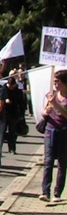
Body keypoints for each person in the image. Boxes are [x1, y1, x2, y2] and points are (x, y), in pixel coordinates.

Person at [39, 70, 67, 202]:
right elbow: (44, 111)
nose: (55, 84)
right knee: (48, 161)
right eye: (54, 82)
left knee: (62, 162)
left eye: (58, 82)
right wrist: (45, 112)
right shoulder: (52, 95)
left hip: (64, 131)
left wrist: (56, 104)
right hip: (50, 130)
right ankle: (45, 192)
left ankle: (57, 193)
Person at [4, 76, 26, 154]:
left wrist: (22, 115)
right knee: (2, 131)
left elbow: (22, 104)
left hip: (14, 114)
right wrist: (5, 100)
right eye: (8, 86)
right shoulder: (3, 89)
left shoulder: (18, 92)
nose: (10, 87)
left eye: (11, 86)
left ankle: (12, 148)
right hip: (4, 113)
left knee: (12, 132)